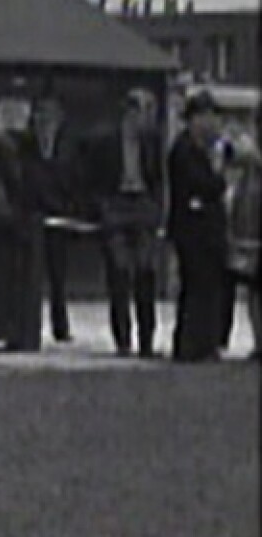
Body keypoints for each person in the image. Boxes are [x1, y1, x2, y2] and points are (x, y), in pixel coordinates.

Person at [79, 87, 165, 357]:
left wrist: (155, 207)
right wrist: (99, 206)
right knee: (118, 273)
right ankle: (123, 339)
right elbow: (89, 175)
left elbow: (158, 178)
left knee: (146, 273)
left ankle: (147, 340)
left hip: (141, 204)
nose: (149, 118)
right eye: (145, 111)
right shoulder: (105, 141)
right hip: (115, 204)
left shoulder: (151, 142)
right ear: (130, 113)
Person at [166, 90, 229, 362]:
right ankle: (189, 345)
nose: (212, 124)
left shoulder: (205, 150)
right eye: (206, 117)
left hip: (210, 233)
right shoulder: (183, 151)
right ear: (193, 120)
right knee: (195, 287)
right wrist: (217, 176)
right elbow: (202, 187)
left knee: (211, 290)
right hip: (192, 233)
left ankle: (207, 343)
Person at [14, 93, 81, 343]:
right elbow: (25, 175)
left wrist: (67, 206)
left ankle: (60, 326)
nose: (45, 120)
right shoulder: (27, 144)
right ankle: (28, 327)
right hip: (33, 213)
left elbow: (73, 177)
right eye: (40, 114)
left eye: (50, 115)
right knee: (29, 273)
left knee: (58, 275)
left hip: (58, 213)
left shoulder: (68, 145)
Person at [222, 111, 261, 359]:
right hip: (251, 226)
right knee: (255, 289)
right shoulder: (250, 153)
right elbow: (229, 157)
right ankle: (259, 341)